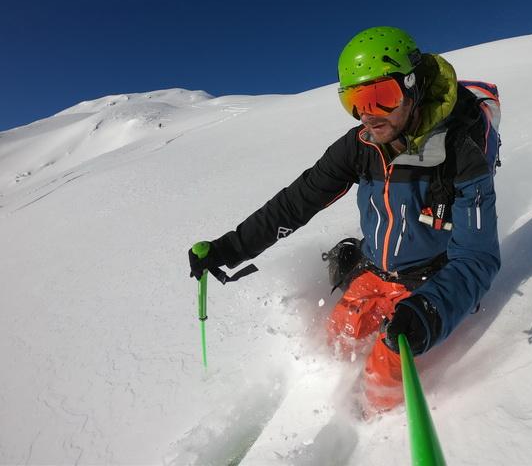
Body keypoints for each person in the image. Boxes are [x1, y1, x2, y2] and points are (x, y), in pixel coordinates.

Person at [188, 26, 501, 414]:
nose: (367, 114)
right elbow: (295, 203)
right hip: (375, 271)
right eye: (354, 101)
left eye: (380, 97)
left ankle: (373, 433)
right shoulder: (360, 147)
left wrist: (429, 312)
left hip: (429, 284)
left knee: (383, 378)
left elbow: (477, 258)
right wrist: (228, 249)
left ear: (412, 86)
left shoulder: (460, 152)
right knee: (336, 340)